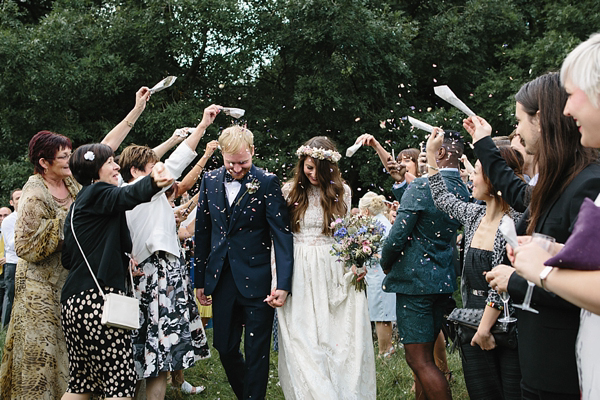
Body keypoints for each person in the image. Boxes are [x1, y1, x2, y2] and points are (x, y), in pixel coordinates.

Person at [0, 87, 151, 399]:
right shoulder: (33, 194)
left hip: (76, 281)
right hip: (41, 290)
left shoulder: (74, 181)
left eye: (71, 155)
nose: (69, 159)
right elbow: (26, 246)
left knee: (80, 376)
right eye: (63, 157)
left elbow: (103, 151)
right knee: (44, 361)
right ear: (44, 162)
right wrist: (70, 223)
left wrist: (136, 109)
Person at [466, 72, 600, 399]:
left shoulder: (587, 185)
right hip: (539, 365)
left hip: (567, 370)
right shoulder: (558, 183)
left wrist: (515, 279)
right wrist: (483, 144)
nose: (517, 132)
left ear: (540, 120)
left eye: (519, 121)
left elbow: (583, 288)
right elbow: (516, 192)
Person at [509, 32, 600, 400]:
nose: (566, 108)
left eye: (573, 92)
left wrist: (543, 271)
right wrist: (556, 251)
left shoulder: (587, 182)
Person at [118, 106, 219, 400]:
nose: (161, 169)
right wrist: (202, 126)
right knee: (159, 358)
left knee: (139, 354)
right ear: (138, 171)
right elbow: (177, 162)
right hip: (158, 276)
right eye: (154, 165)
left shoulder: (126, 193)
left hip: (138, 277)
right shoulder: (143, 188)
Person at [60, 144, 173, 399]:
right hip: (99, 304)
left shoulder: (77, 205)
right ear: (94, 169)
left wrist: (118, 259)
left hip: (73, 304)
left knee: (81, 382)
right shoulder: (99, 191)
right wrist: (153, 182)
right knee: (120, 381)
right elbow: (126, 197)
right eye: (110, 162)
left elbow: (68, 258)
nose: (116, 167)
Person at [194, 125, 293, 400]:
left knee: (257, 352)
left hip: (259, 280)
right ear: (222, 155)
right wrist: (199, 280)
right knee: (224, 348)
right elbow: (203, 232)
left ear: (253, 152)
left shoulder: (267, 181)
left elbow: (281, 235)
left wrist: (282, 282)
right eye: (231, 163)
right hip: (222, 278)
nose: (237, 169)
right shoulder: (210, 180)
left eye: (243, 162)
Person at [426, 129, 524, 399]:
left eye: (477, 170)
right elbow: (443, 199)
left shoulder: (516, 221)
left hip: (505, 325)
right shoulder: (474, 215)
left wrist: (484, 331)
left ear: (494, 178)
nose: (470, 176)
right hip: (472, 321)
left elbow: (502, 280)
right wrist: (433, 157)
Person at [276, 137, 376, 399]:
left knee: (337, 337)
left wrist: (357, 262)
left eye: (319, 170)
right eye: (308, 168)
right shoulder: (288, 191)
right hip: (298, 266)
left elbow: (344, 235)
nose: (313, 174)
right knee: (303, 334)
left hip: (333, 266)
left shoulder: (343, 191)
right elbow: (280, 236)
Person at [381, 130, 469, 400]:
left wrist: (385, 262)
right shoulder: (463, 189)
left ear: (440, 153)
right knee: (427, 356)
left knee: (418, 360)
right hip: (441, 279)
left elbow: (397, 236)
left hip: (415, 283)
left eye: (427, 152)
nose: (422, 158)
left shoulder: (421, 186)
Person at [358, 191, 395, 357]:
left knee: (381, 313)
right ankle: (387, 348)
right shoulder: (382, 221)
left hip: (379, 273)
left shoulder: (375, 225)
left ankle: (385, 350)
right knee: (382, 312)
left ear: (366, 211)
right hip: (378, 273)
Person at [1, 189, 22, 327]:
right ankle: (5, 326)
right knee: (10, 297)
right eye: (17, 198)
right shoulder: (9, 221)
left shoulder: (32, 216)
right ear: (12, 202)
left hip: (28, 263)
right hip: (13, 264)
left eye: (23, 197)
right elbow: (12, 243)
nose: (20, 201)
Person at [0, 206, 12, 323]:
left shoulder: (13, 228)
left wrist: (6, 258)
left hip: (9, 267)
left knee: (8, 297)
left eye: (5, 215)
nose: (2, 218)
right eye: (0, 216)